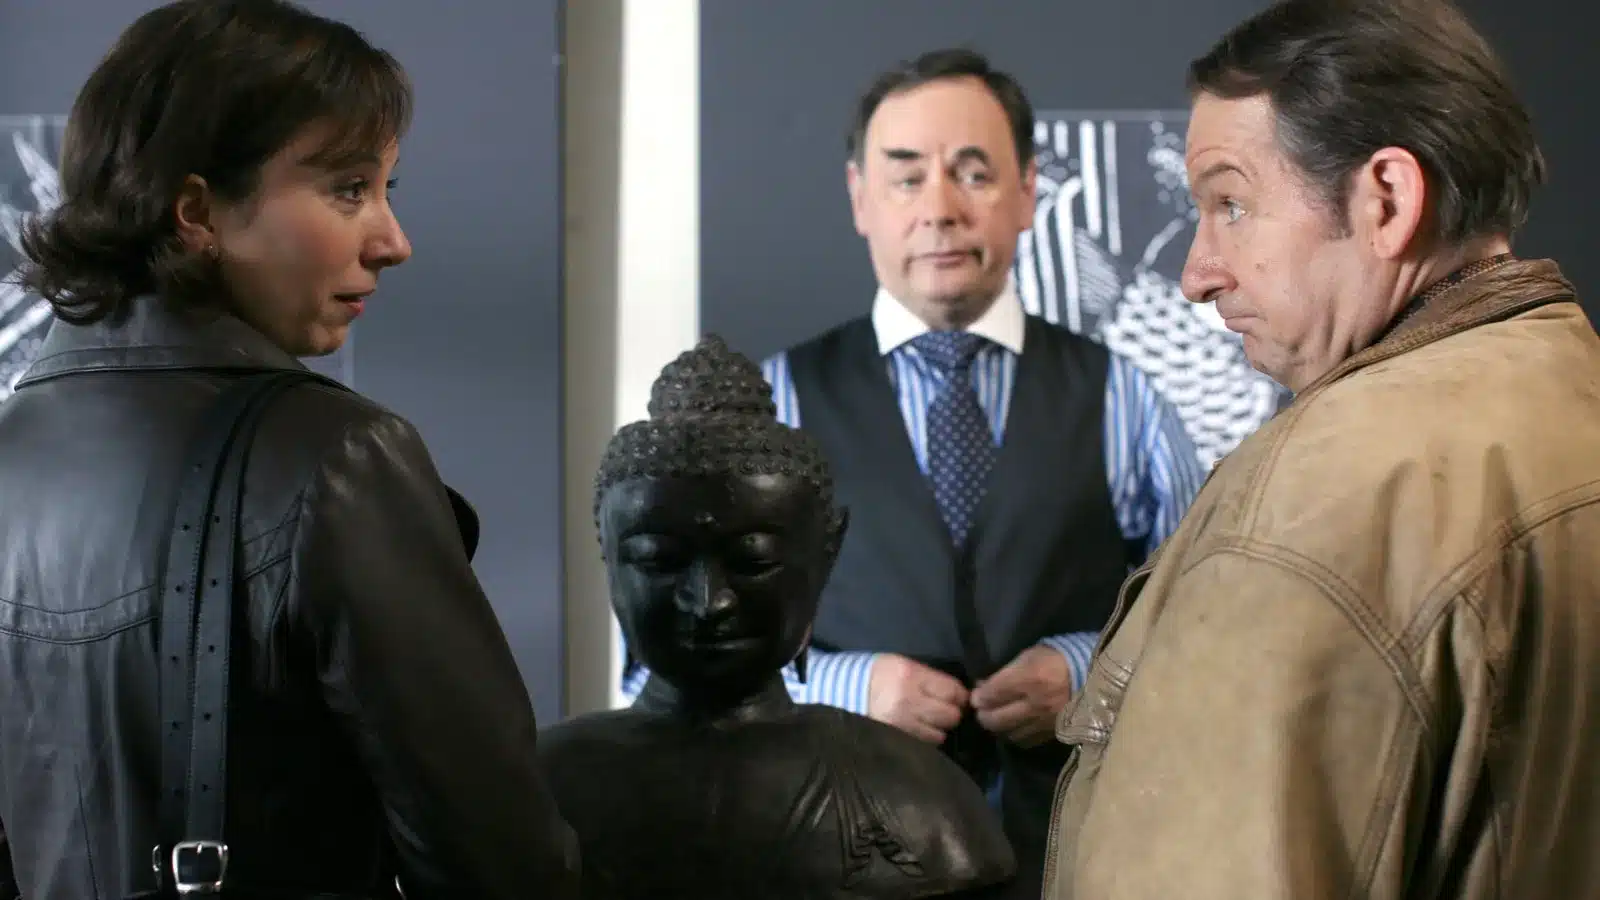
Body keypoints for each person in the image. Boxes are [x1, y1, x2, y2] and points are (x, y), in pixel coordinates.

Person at [0, 2, 578, 898]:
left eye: (386, 189)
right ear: (199, 211)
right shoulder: (338, 457)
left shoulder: (10, 451)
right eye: (348, 189)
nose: (393, 242)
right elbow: (504, 870)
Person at [1041, 1, 1600, 898]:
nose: (1196, 274)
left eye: (1232, 204)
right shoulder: (1574, 390)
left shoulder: (1317, 497)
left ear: (1387, 200)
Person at [621, 48, 1206, 895]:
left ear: (1027, 192)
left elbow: (1208, 617)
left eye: (973, 173)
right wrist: (846, 689)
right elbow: (656, 667)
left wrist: (1090, 674)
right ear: (860, 197)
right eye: (906, 178)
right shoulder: (775, 405)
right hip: (832, 861)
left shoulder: (1127, 396)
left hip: (1080, 859)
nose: (940, 209)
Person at [540, 334, 1017, 899]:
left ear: (826, 554)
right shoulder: (538, 785)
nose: (708, 602)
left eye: (753, 561)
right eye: (659, 561)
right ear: (609, 556)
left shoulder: (919, 797)